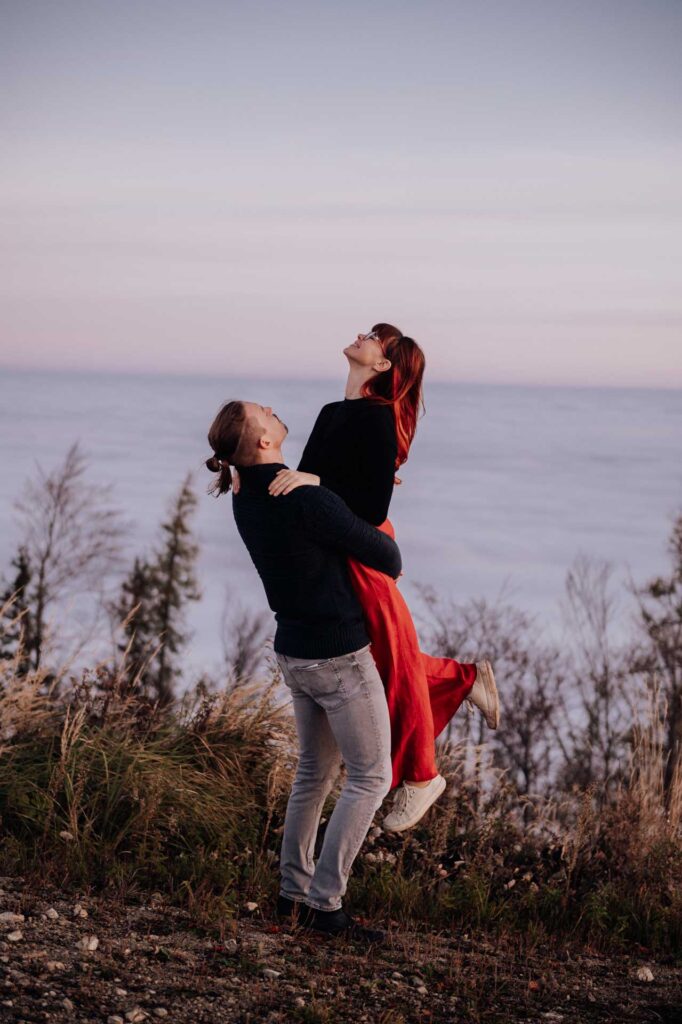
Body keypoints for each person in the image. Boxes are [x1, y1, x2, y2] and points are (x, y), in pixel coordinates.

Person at [262, 324, 500, 832]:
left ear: (383, 364)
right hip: (337, 545)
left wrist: (317, 482)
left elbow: (371, 505)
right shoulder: (332, 412)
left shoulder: (378, 418)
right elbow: (302, 485)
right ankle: (461, 678)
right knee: (380, 653)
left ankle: (421, 776)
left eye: (373, 336)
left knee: (389, 654)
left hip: (365, 547)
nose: (360, 335)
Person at [206, 399, 403, 943]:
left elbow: (301, 508)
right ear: (264, 441)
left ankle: (292, 895)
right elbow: (388, 556)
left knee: (314, 774)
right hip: (339, 657)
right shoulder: (306, 500)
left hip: (294, 653)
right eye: (263, 413)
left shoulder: (242, 494)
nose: (272, 410)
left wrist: (323, 486)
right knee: (371, 777)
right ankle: (325, 905)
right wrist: (331, 491)